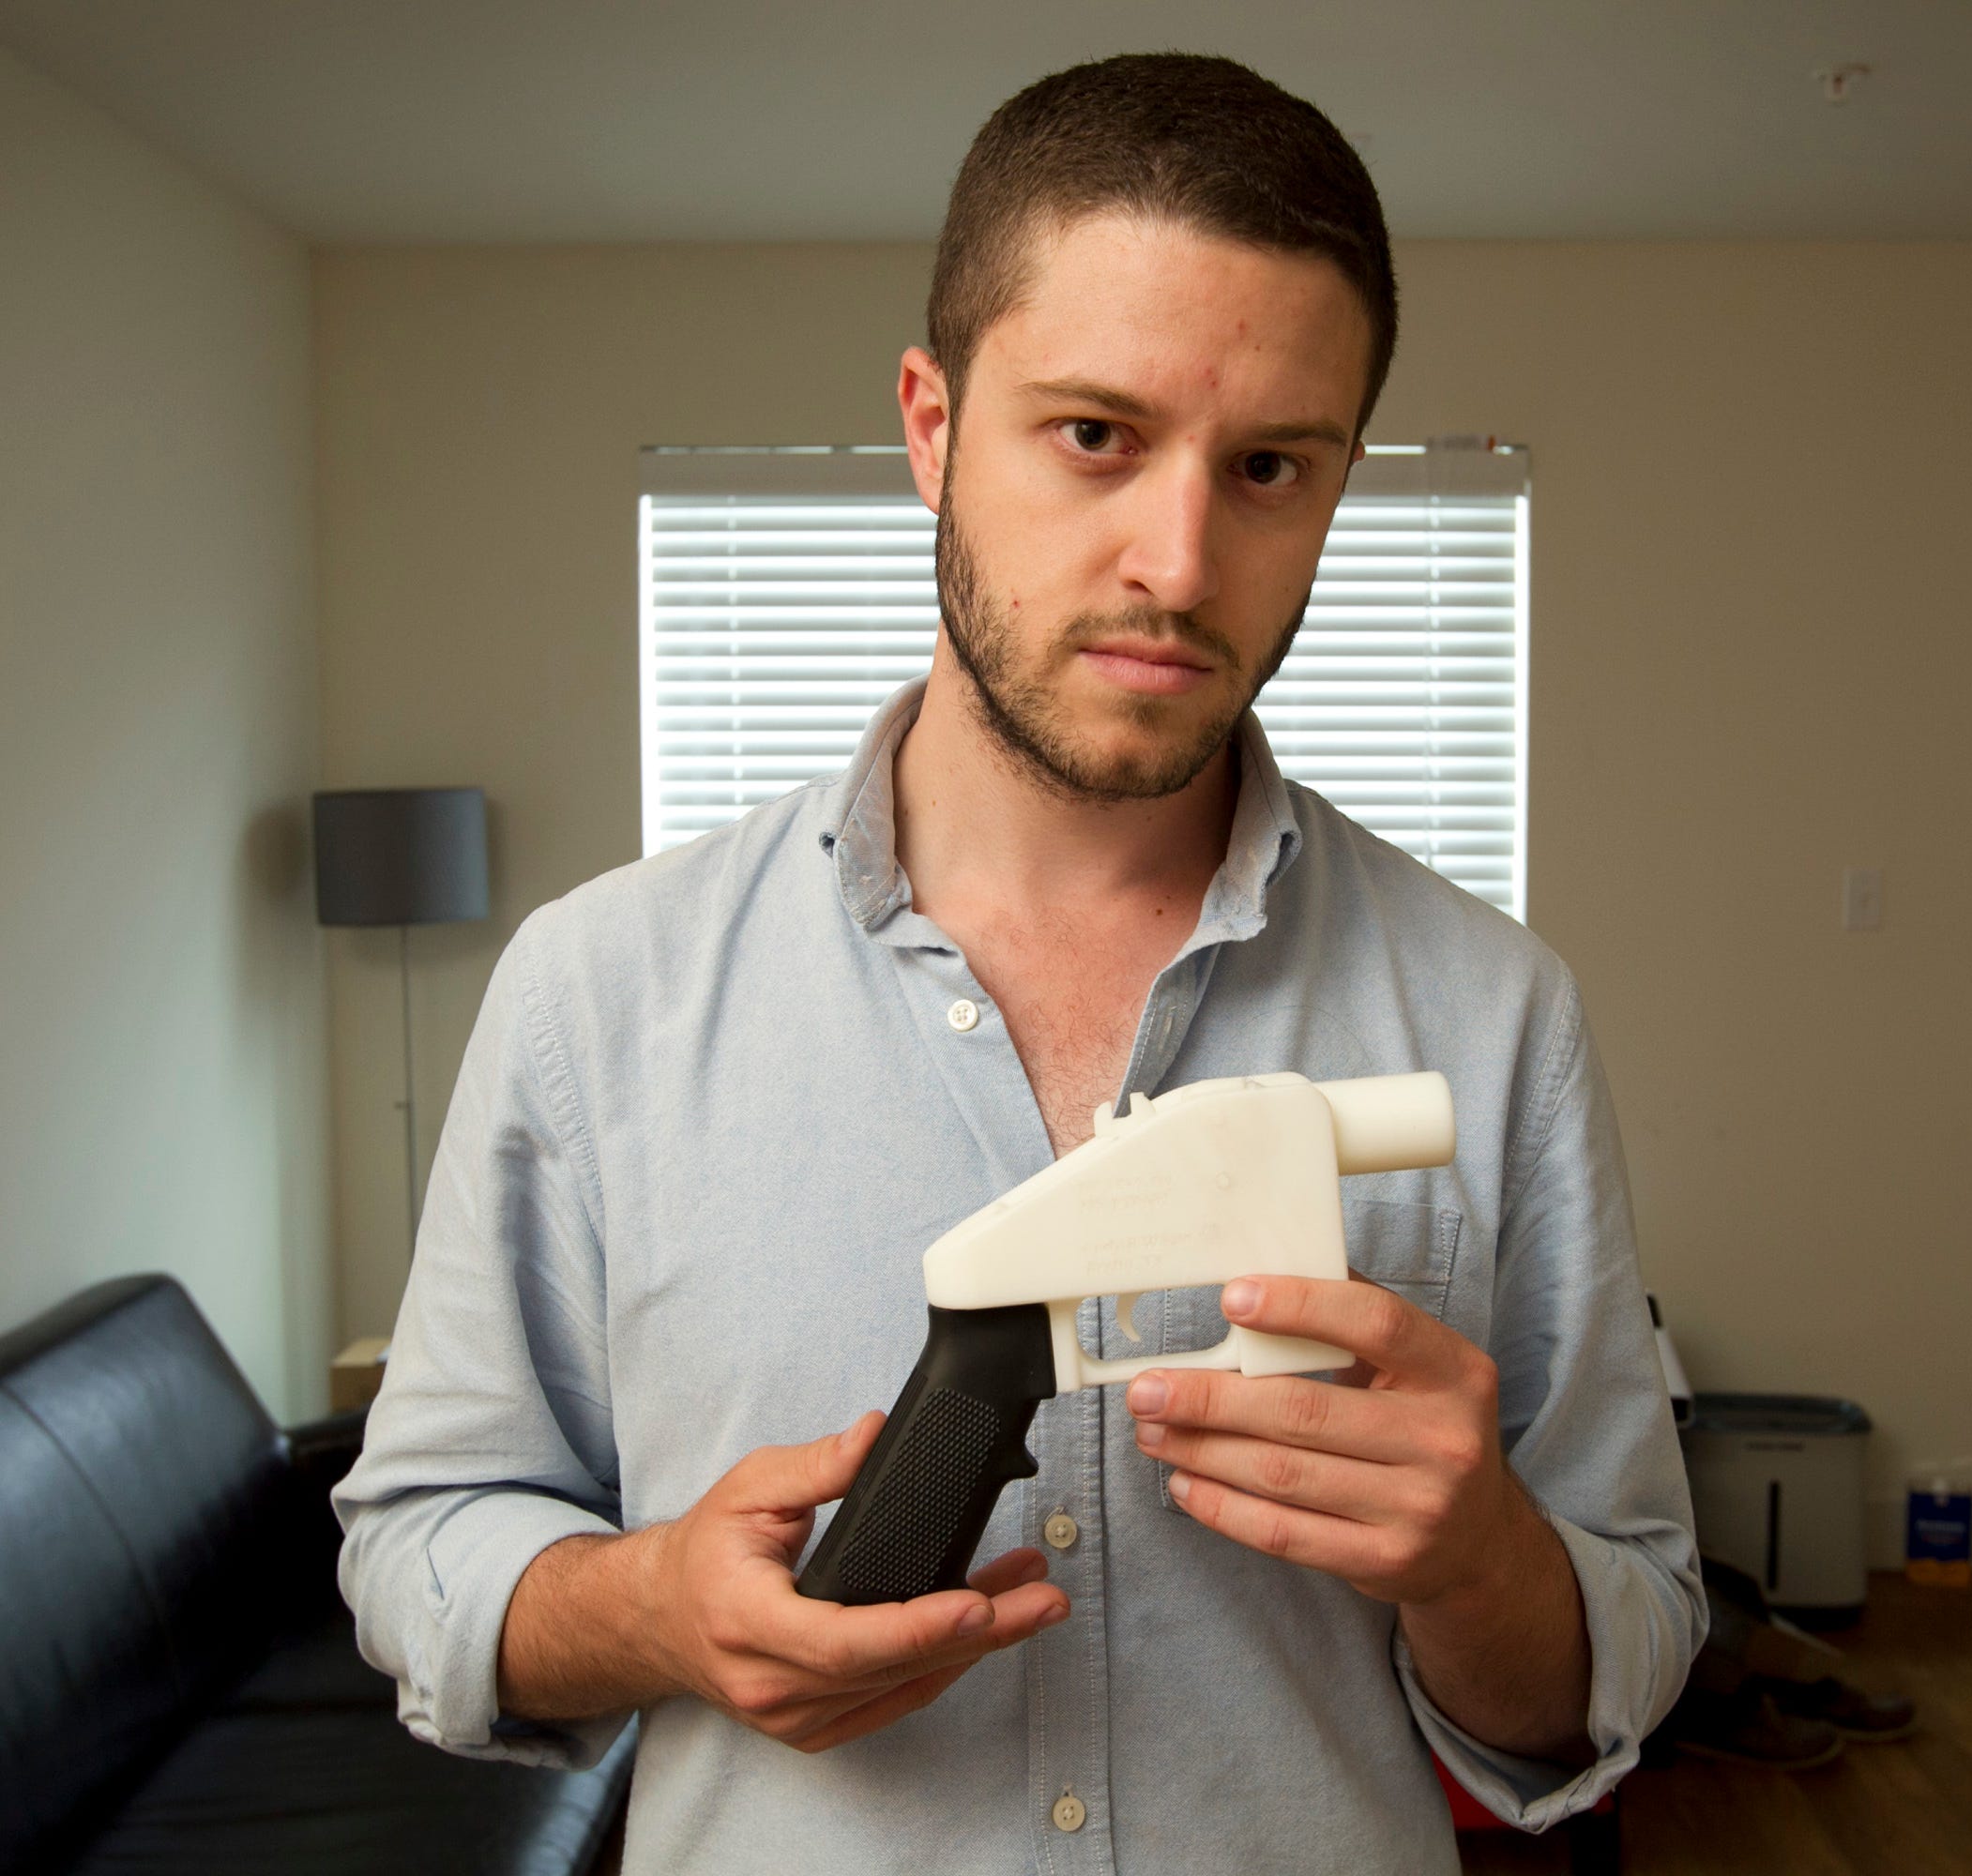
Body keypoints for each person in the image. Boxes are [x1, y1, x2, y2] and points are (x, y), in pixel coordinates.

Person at [334, 52, 1705, 1873]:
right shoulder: (599, 998)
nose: (1179, 556)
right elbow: (418, 1542)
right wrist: (659, 1607)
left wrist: (1484, 1564)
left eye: (1272, 465)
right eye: (1094, 435)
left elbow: (1613, 1659)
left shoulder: (1496, 1021)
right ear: (928, 423)